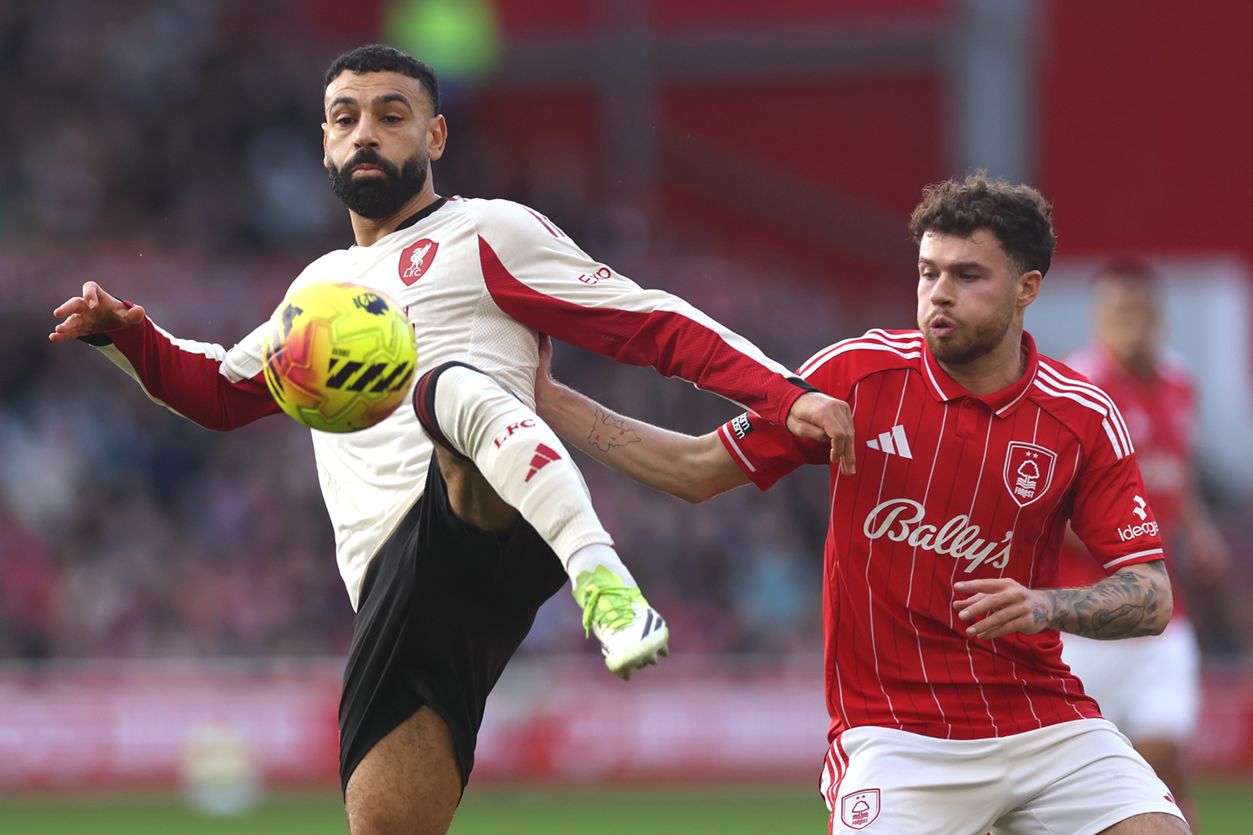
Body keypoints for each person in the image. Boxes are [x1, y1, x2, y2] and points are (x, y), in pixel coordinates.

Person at [47, 45, 854, 835]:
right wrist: (129, 337)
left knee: (443, 388)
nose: (366, 132)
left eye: (391, 116)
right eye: (345, 118)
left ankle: (602, 579)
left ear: (434, 137)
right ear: (324, 143)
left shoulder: (488, 232)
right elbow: (223, 394)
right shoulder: (316, 294)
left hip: (492, 509)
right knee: (387, 822)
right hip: (395, 584)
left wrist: (786, 396)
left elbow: (649, 323)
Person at [535, 173, 1192, 834]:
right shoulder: (855, 377)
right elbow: (693, 469)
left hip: (1045, 721)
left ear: (1026, 289)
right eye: (927, 272)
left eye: (967, 276)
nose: (938, 293)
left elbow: (1151, 592)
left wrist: (1044, 604)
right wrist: (550, 400)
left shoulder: (1081, 415)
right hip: (898, 736)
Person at [1058, 259, 1231, 828]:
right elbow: (1046, 506)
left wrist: (1198, 531)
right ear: (1099, 318)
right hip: (1086, 617)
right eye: (1120, 311)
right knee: (1068, 780)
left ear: (1160, 316)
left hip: (1162, 614)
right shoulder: (1076, 393)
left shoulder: (1182, 386)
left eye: (1143, 311)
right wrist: (1117, 545)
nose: (1134, 324)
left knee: (1165, 758)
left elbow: (1173, 476)